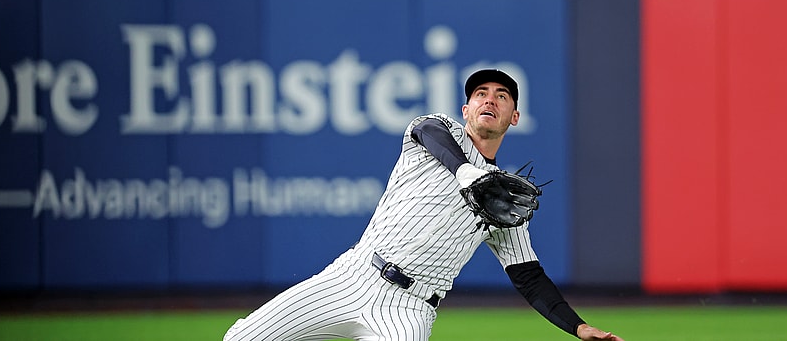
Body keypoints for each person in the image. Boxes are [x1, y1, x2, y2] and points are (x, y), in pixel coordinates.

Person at [223, 69, 626, 341]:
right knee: (241, 337)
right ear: (466, 110)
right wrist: (468, 171)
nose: (490, 99)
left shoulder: (503, 200)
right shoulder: (438, 132)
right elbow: (429, 131)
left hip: (410, 310)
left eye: (501, 96)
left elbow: (528, 276)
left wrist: (578, 327)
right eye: (480, 94)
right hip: (354, 275)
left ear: (514, 116)